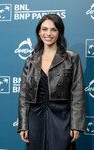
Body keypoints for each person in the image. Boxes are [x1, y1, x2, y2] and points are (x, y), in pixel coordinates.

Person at [17, 14, 86, 150]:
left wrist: (76, 125)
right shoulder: (30, 61)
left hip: (61, 116)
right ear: (39, 32)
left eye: (53, 29)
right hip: (35, 117)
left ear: (59, 32)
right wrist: (23, 125)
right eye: (44, 29)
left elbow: (77, 94)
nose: (48, 33)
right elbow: (24, 96)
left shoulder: (72, 58)